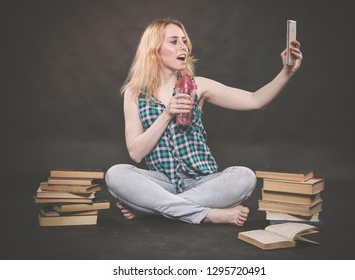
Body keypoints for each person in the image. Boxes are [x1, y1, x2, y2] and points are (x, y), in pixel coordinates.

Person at [105, 18, 302, 226]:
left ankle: (152, 209)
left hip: (203, 183)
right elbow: (136, 153)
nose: (184, 47)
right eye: (173, 41)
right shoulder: (134, 94)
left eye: (184, 41)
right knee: (115, 174)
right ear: (154, 50)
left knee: (244, 176)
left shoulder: (197, 86)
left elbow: (255, 100)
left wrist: (286, 72)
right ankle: (208, 215)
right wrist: (167, 115)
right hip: (161, 183)